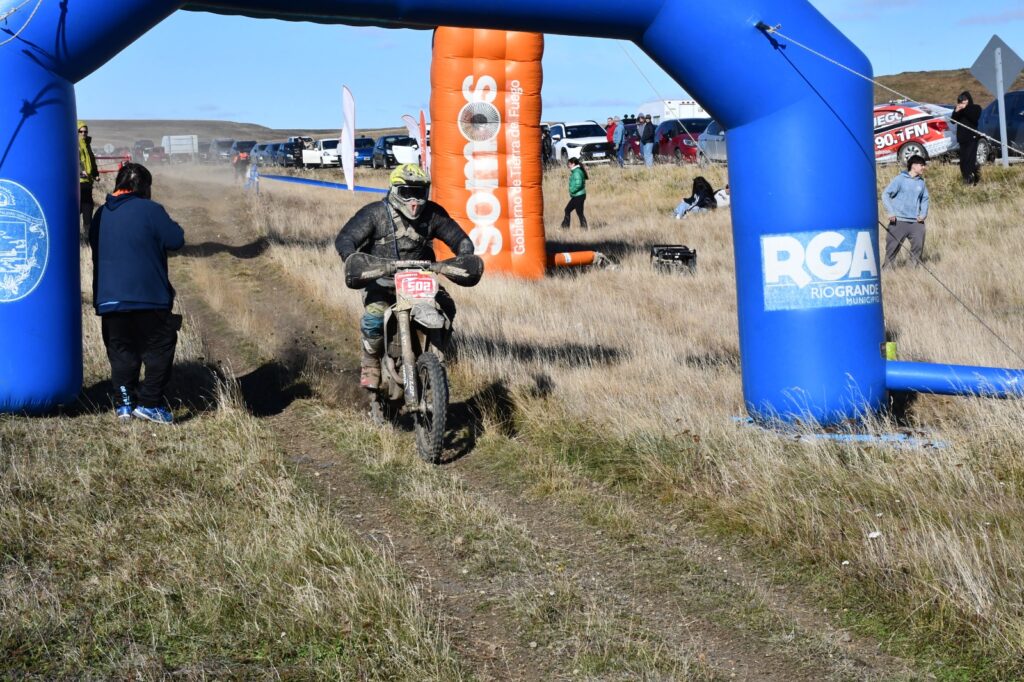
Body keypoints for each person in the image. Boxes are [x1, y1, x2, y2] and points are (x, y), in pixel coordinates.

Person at [334, 164, 479, 390]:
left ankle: (435, 357)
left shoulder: (433, 214)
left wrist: (465, 255)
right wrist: (353, 258)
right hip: (381, 280)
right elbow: (345, 238)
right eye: (407, 192)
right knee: (374, 317)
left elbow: (460, 239)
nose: (414, 201)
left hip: (420, 281)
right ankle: (370, 362)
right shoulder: (375, 213)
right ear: (394, 190)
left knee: (447, 306)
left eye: (419, 193)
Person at [88, 163, 185, 423]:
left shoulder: (100, 214)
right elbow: (176, 239)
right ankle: (150, 404)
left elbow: (93, 245)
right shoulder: (151, 210)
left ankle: (124, 405)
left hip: (109, 299)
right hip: (148, 296)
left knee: (121, 352)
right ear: (145, 187)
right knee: (160, 348)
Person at [882, 155, 929, 266]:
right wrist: (891, 212)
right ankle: (887, 270)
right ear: (913, 166)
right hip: (898, 221)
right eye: (921, 165)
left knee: (918, 247)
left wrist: (923, 214)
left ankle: (913, 271)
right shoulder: (900, 179)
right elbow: (885, 194)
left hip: (916, 222)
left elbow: (925, 199)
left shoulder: (921, 182)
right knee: (892, 249)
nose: (924, 167)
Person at [951, 90, 982, 186]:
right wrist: (956, 111)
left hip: (972, 138)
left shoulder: (975, 108)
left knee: (970, 160)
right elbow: (953, 121)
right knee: (963, 161)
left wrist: (965, 108)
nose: (963, 101)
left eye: (965, 99)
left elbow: (974, 118)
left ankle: (972, 179)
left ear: (969, 99)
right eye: (961, 99)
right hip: (962, 139)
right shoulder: (959, 109)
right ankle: (966, 178)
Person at [78, 120, 100, 237]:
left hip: (87, 182)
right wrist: (80, 171)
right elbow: (74, 160)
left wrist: (95, 174)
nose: (83, 133)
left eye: (85, 131)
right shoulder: (73, 143)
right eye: (81, 131)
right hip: (77, 183)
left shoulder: (87, 145)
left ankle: (87, 236)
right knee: (79, 208)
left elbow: (91, 161)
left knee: (88, 209)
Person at [561, 157, 588, 229]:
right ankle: (565, 227)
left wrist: (572, 190)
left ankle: (565, 228)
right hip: (578, 195)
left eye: (569, 164)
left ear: (573, 164)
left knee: (577, 212)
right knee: (569, 210)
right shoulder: (577, 171)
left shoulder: (576, 172)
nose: (568, 165)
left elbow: (578, 184)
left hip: (578, 196)